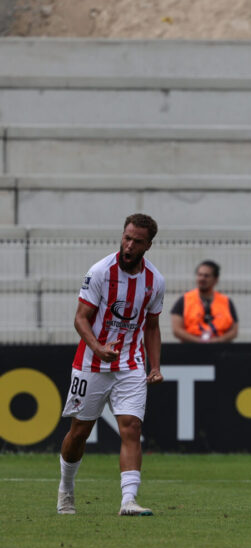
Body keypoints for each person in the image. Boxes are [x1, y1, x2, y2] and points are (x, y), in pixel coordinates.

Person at [57, 213, 165, 517]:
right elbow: (80, 319)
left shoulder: (155, 280)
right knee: (79, 432)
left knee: (132, 427)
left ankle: (128, 500)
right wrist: (98, 347)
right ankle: (66, 488)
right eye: (126, 237)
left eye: (137, 241)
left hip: (130, 364)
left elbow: (152, 326)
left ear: (149, 245)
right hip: (91, 364)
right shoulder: (101, 272)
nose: (129, 245)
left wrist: (154, 366)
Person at [169, 260, 238, 343]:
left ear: (215, 279)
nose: (202, 278)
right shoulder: (184, 300)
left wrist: (217, 341)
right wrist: (199, 342)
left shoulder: (226, 301)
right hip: (190, 349)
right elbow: (176, 330)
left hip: (221, 350)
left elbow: (234, 331)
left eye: (206, 276)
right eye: (199, 275)